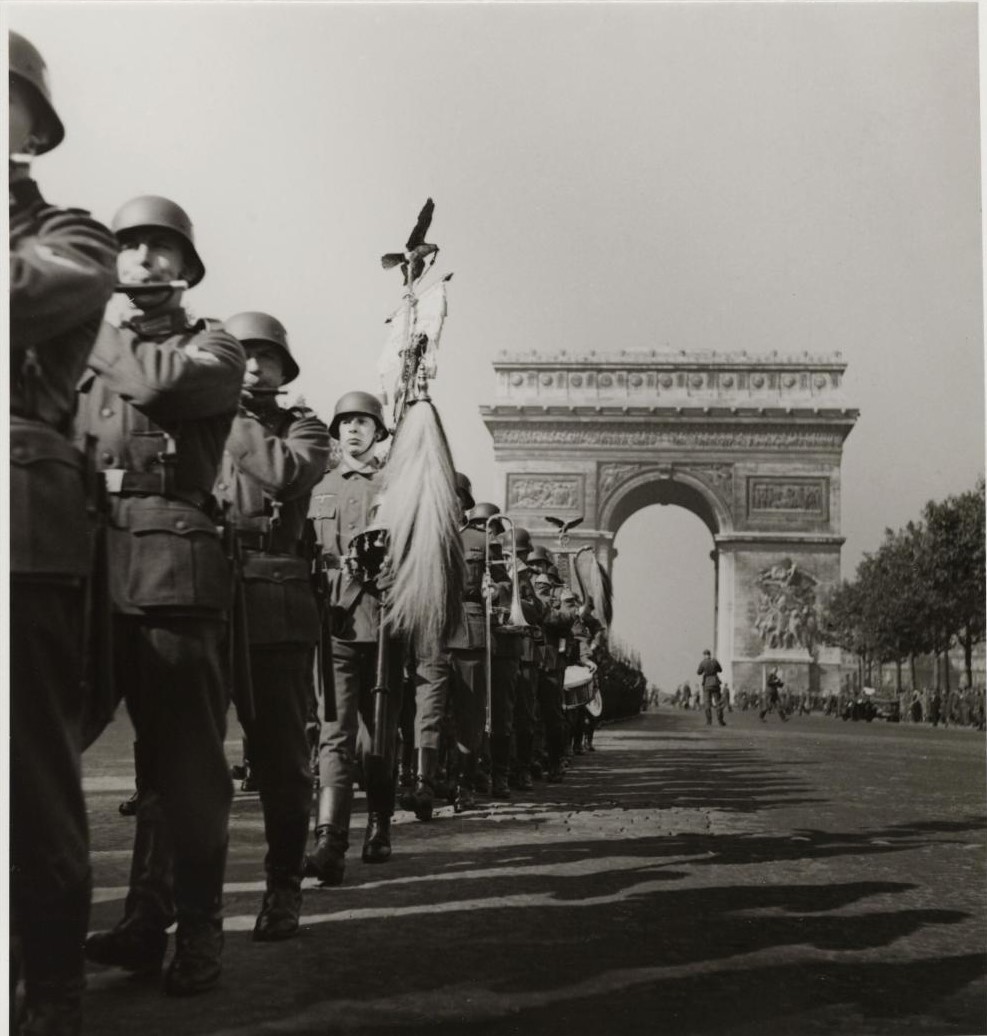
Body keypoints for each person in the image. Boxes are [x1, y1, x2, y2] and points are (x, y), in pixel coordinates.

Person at [78, 195, 246, 996]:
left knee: (184, 769)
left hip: (172, 573)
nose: (143, 257)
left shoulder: (213, 345)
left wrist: (86, 321)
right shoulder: (89, 348)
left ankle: (200, 930)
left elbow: (159, 384)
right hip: (86, 571)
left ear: (187, 266)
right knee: (54, 753)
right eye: (129, 245)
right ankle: (143, 924)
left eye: (160, 245)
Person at [9, 30, 118, 1034]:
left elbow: (23, 300)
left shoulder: (72, 236)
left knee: (28, 768)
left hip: (21, 519)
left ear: (32, 130)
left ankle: (48, 985)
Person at [214, 311, 331, 940]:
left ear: (285, 370)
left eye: (267, 357)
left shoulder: (304, 429)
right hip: (202, 595)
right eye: (241, 353)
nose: (254, 366)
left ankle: (283, 888)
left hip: (273, 603)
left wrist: (225, 411)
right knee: (175, 756)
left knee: (282, 761)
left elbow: (283, 474)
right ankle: (154, 908)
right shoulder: (196, 416)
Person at [305, 391, 402, 885]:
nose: (353, 430)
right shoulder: (318, 487)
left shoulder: (396, 487)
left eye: (363, 422)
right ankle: (330, 842)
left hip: (384, 624)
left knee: (378, 738)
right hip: (334, 622)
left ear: (378, 432)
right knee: (335, 733)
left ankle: (380, 822)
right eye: (346, 422)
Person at [697, 649, 726, 727]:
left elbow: (699, 672)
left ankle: (709, 721)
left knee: (707, 703)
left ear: (704, 655)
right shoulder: (715, 661)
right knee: (718, 702)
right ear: (710, 654)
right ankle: (720, 721)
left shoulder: (703, 662)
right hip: (715, 683)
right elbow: (720, 670)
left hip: (706, 683)